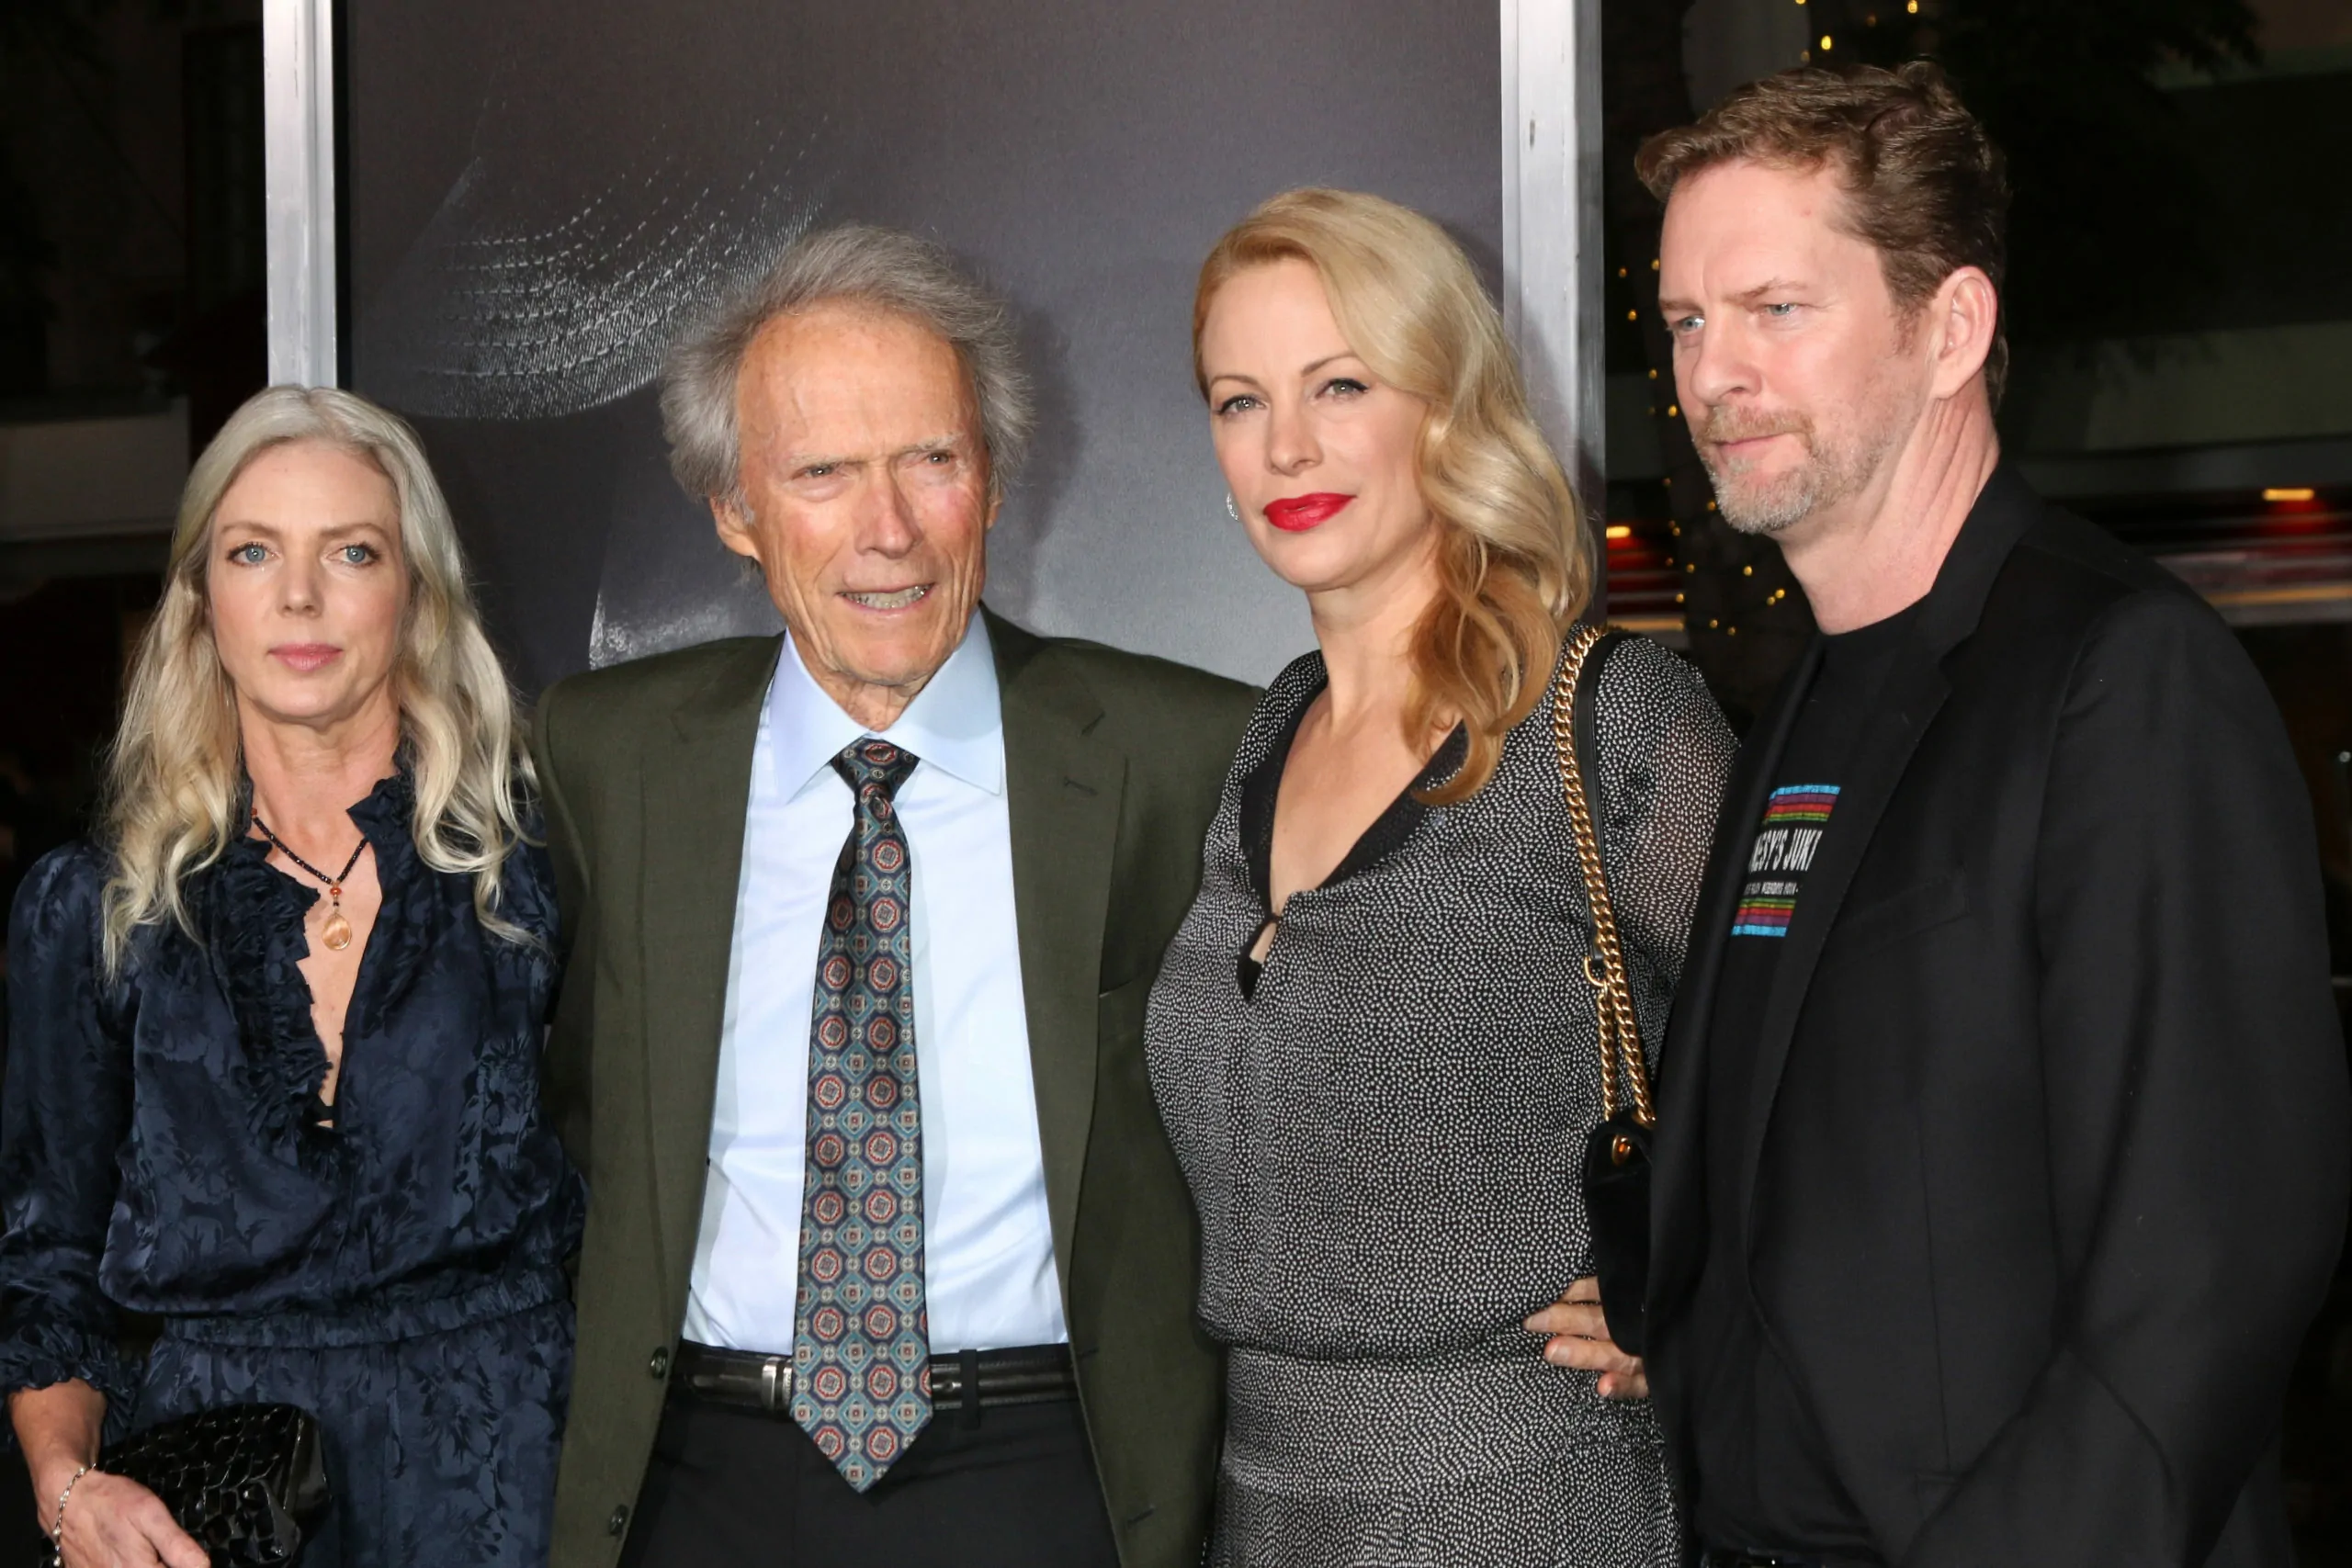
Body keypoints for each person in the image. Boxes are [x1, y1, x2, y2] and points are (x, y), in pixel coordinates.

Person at [1635, 63, 2352, 1568]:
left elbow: (2201, 1281)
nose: (1713, 373)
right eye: (1688, 320)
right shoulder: (1801, 705)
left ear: (1951, 328)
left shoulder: (2120, 674)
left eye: (1776, 309)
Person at [536, 223, 1257, 1568]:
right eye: (821, 472)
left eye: (932, 458)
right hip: (697, 1479)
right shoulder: (604, 756)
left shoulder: (1184, 751)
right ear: (735, 510)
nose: (888, 529)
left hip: (1051, 1475)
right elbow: (563, 1102)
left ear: (993, 480)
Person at [1144, 187, 1733, 1568]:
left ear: (1449, 405)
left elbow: (1839, 1053)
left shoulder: (1609, 720)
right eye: (1240, 401)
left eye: (1341, 385)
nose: (1286, 444)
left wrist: (1707, 1294)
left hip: (1519, 1492)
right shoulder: (1269, 732)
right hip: (1260, 1499)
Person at [0, 386, 585, 1568]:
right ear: (200, 600)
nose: (299, 596)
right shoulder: (99, 906)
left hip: (511, 1482)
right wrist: (67, 1489)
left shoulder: (536, 866)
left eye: (351, 551)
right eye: (253, 552)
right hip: (217, 1507)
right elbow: (47, 1255)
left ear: (416, 592)